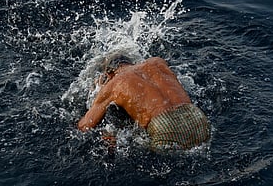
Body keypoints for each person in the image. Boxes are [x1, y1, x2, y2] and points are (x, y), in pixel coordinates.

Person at [77, 56, 211, 151]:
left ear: (109, 73)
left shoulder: (114, 83)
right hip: (197, 117)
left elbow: (85, 126)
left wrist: (98, 91)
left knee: (111, 136)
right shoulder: (156, 62)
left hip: (164, 126)